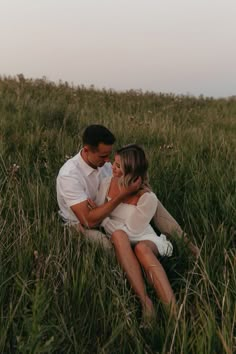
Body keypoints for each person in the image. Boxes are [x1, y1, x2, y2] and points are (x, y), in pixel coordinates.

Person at [95, 144, 178, 318]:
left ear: (131, 172)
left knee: (141, 248)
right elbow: (97, 212)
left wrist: (105, 220)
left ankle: (174, 313)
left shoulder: (147, 198)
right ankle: (145, 302)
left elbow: (132, 231)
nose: (112, 167)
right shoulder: (106, 183)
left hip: (144, 237)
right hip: (121, 238)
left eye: (118, 166)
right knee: (119, 235)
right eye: (114, 163)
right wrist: (104, 216)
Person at [56, 124, 141, 249]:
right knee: (106, 245)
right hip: (80, 224)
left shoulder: (103, 164)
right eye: (103, 156)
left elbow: (119, 186)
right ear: (86, 150)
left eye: (109, 155)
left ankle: (178, 236)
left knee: (149, 198)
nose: (108, 161)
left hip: (107, 212)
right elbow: (88, 220)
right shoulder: (69, 175)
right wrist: (122, 196)